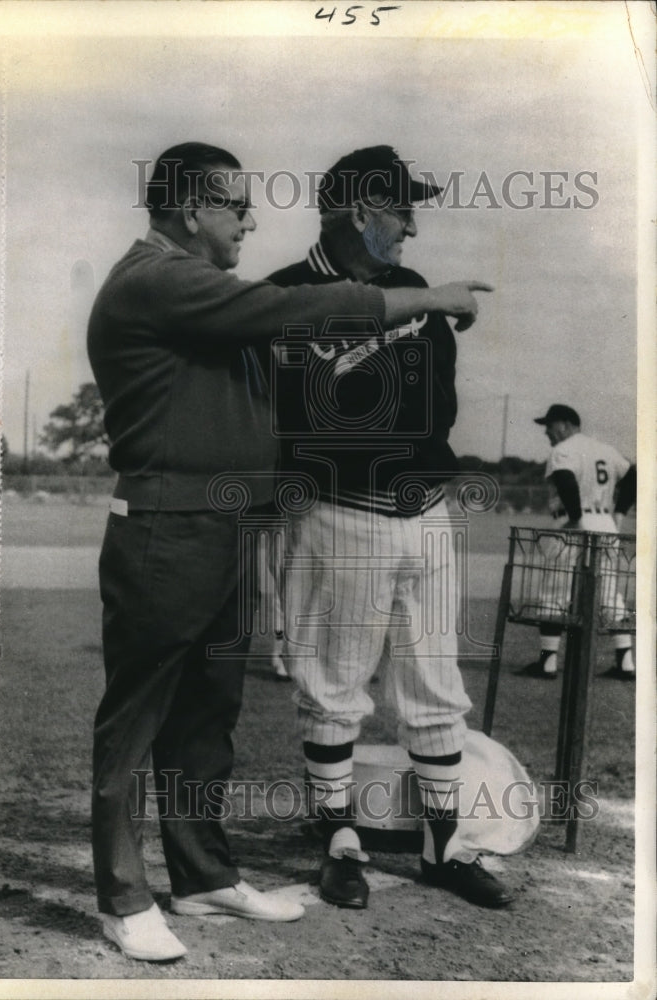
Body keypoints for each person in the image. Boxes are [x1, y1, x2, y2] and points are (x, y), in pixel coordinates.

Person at [86, 141, 492, 961]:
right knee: (135, 722)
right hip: (170, 522)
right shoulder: (155, 276)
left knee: (207, 716)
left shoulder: (189, 281)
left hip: (227, 522)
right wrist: (429, 298)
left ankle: (202, 879)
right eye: (235, 204)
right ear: (190, 210)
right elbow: (287, 314)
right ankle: (123, 898)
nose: (250, 216)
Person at [268, 145, 512, 911]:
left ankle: (443, 849)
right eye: (400, 206)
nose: (412, 221)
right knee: (335, 689)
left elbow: (436, 401)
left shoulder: (417, 288)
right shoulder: (287, 292)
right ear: (355, 211)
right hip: (341, 515)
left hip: (426, 513)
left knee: (437, 686)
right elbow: (284, 412)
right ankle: (340, 841)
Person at [519, 404, 636, 680]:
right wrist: (620, 511)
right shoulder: (605, 449)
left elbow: (565, 478)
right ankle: (626, 662)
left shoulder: (563, 450)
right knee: (608, 593)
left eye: (549, 425)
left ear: (565, 424)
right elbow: (632, 475)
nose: (547, 431)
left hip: (572, 524)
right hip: (605, 524)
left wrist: (575, 517)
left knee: (555, 590)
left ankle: (547, 663)